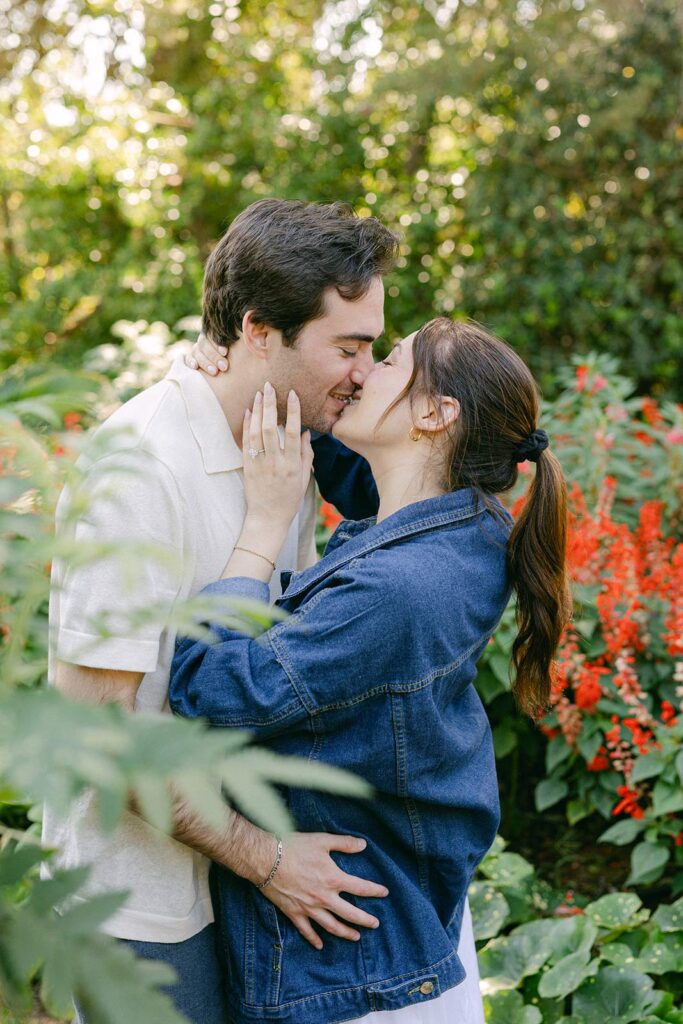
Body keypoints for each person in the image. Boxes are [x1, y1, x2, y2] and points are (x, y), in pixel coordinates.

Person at [45, 199, 400, 1023]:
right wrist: (266, 858)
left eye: (372, 345)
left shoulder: (289, 442)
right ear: (258, 332)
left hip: (244, 885)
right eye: (347, 347)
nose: (365, 370)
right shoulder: (136, 467)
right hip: (145, 905)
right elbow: (98, 729)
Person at [169, 317, 572, 1023]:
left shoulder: (397, 590)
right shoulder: (466, 526)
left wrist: (262, 530)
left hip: (349, 974)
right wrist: (251, 366)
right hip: (396, 938)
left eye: (386, 361)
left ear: (434, 413)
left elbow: (210, 690)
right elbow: (370, 481)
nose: (360, 373)